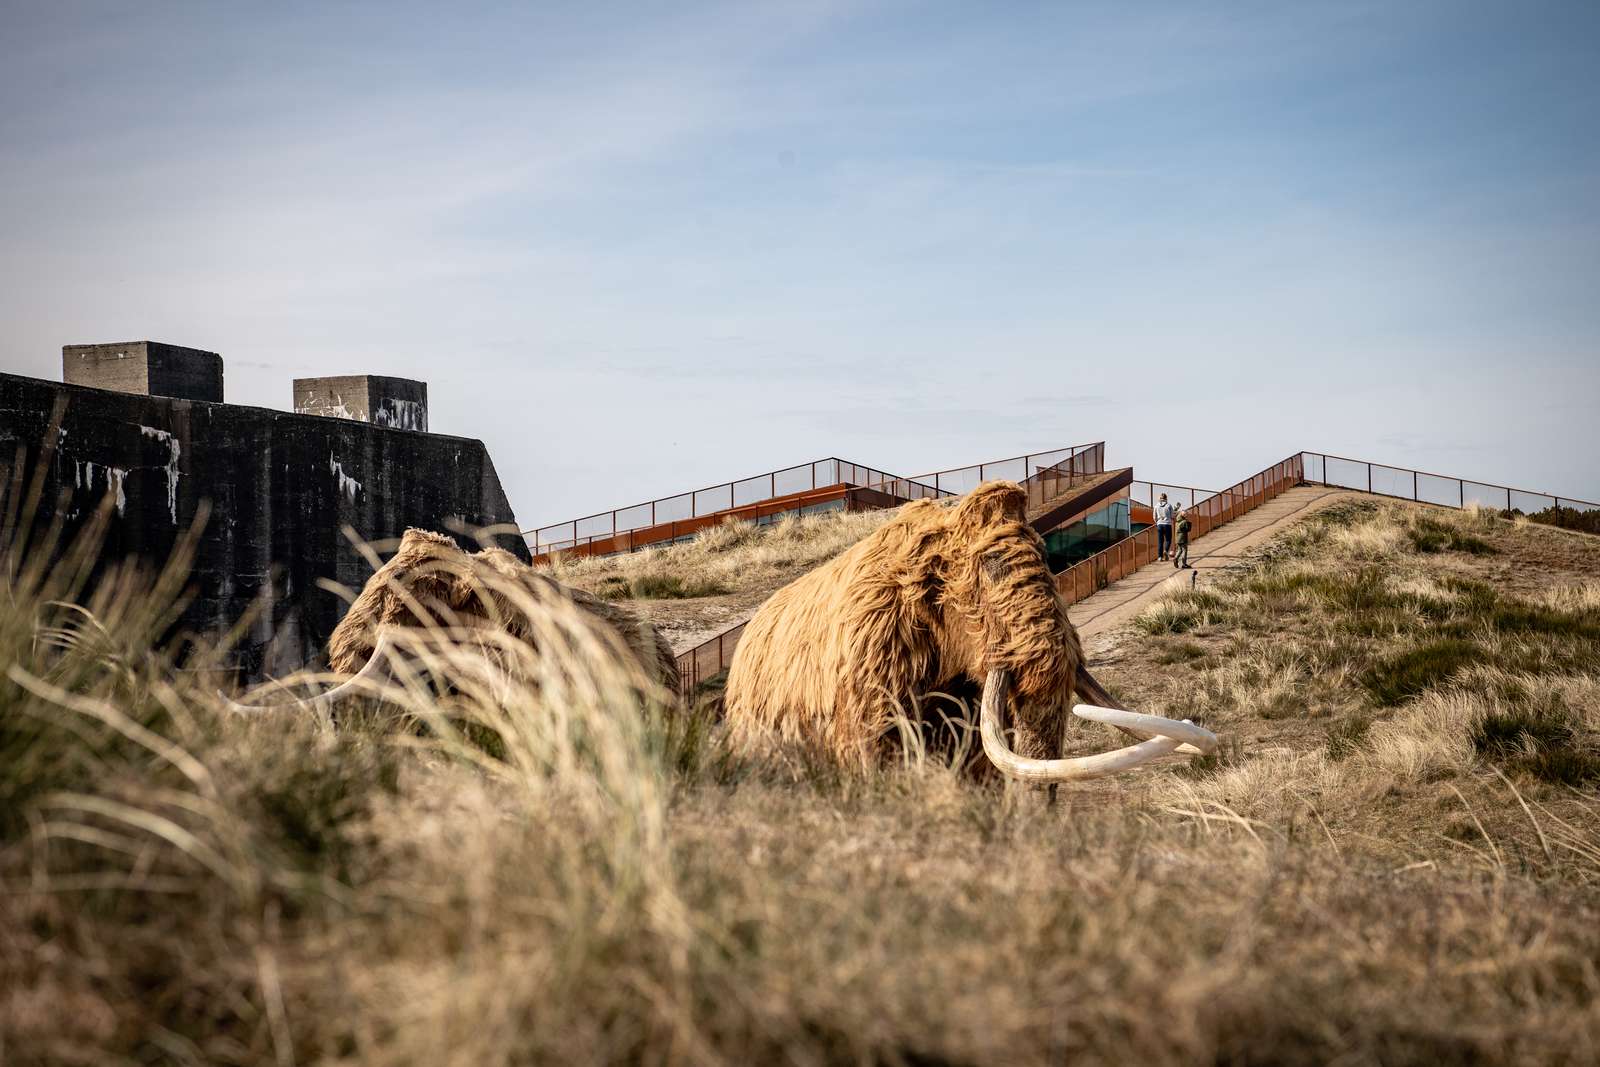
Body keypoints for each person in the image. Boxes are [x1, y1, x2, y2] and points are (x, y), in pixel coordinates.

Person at [1154, 492, 1177, 561]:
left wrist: (1157, 522)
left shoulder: (1156, 506)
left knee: (1160, 541)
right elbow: (1172, 516)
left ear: (1159, 498)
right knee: (1168, 540)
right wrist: (1174, 516)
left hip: (1159, 525)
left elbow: (1154, 517)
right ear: (1166, 498)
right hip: (1167, 524)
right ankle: (1166, 551)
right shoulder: (1169, 505)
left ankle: (1160, 557)